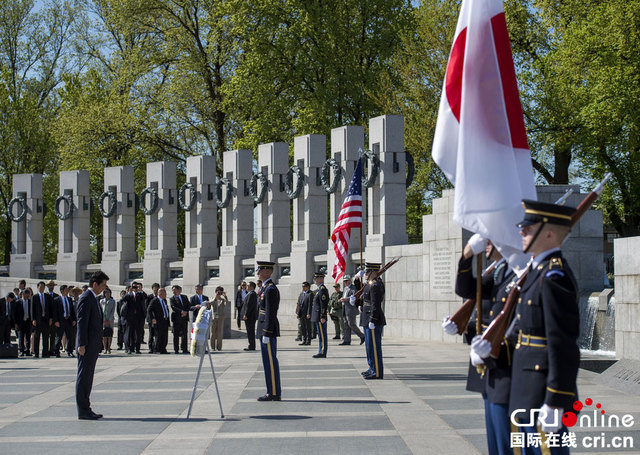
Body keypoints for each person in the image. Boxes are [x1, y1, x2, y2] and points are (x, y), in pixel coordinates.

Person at [508, 199, 580, 454]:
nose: (521, 232)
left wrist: (556, 399)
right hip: (526, 389)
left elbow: (563, 343)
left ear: (548, 233)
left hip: (543, 393)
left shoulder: (553, 276)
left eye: (527, 229)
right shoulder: (537, 271)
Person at [443, 234, 516, 455]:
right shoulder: (496, 271)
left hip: (506, 363)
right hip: (488, 360)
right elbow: (466, 291)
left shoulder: (516, 272)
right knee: (495, 439)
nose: (486, 245)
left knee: (509, 440)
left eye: (490, 240)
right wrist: (466, 256)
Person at [76, 270, 109, 420]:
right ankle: (83, 410)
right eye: (103, 285)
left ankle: (86, 407)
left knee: (88, 377)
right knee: (84, 376)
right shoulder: (86, 298)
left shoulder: (93, 298)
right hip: (86, 345)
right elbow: (82, 323)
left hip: (93, 344)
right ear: (95, 284)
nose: (104, 288)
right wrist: (81, 344)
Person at [255, 261, 281, 401]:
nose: (258, 273)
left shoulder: (270, 289)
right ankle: (271, 390)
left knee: (270, 362)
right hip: (264, 328)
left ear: (267, 272)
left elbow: (271, 313)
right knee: (267, 362)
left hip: (267, 330)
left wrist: (266, 332)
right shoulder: (265, 288)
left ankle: (274, 393)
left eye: (260, 270)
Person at [357, 262, 386, 380]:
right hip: (367, 317)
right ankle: (372, 368)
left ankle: (377, 372)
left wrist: (373, 319)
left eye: (368, 272)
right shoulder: (369, 284)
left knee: (374, 347)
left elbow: (376, 304)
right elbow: (365, 300)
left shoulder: (375, 285)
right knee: (369, 347)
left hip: (373, 319)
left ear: (374, 272)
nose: (365, 274)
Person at [32, 281, 54, 358]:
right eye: (40, 287)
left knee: (46, 337)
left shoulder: (47, 297)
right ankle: (36, 353)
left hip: (46, 320)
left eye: (43, 287)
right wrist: (33, 319)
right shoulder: (34, 297)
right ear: (38, 287)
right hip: (38, 320)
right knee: (37, 337)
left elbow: (51, 308)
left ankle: (45, 353)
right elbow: (32, 309)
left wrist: (51, 318)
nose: (42, 288)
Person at [310, 272, 329, 358]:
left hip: (320, 316)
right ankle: (321, 350)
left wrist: (323, 316)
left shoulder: (322, 289)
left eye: (316, 278)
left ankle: (322, 352)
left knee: (322, 335)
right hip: (317, 316)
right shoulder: (318, 290)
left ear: (321, 279)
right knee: (320, 335)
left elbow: (323, 304)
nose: (314, 280)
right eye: (314, 278)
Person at [54, 285, 77, 357]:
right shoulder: (57, 300)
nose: (67, 291)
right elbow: (55, 312)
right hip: (61, 321)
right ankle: (57, 352)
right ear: (62, 291)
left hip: (68, 320)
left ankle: (69, 351)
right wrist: (56, 321)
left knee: (70, 336)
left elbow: (72, 310)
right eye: (66, 290)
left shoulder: (69, 299)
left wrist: (74, 319)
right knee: (59, 336)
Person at [148, 287, 170, 354]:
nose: (165, 294)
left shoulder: (164, 301)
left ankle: (163, 348)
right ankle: (157, 349)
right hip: (158, 321)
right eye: (164, 293)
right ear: (159, 293)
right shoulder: (155, 300)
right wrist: (152, 318)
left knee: (164, 335)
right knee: (158, 335)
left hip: (165, 321)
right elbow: (149, 309)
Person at [170, 285, 191, 354]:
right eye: (173, 290)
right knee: (176, 335)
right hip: (177, 318)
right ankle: (176, 349)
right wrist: (181, 312)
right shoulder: (172, 299)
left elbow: (188, 305)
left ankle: (184, 349)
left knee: (185, 334)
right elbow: (173, 307)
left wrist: (186, 312)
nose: (174, 291)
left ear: (179, 290)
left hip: (184, 319)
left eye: (175, 290)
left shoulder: (184, 297)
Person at [241, 281, 258, 351]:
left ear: (251, 287)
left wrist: (246, 314)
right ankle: (251, 344)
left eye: (247, 286)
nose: (246, 287)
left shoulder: (252, 294)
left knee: (250, 331)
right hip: (249, 316)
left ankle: (252, 345)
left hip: (250, 316)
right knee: (249, 331)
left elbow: (249, 305)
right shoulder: (249, 294)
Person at [15, 288, 32, 356]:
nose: (27, 296)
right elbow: (15, 314)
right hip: (20, 322)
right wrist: (16, 323)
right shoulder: (18, 302)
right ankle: (21, 350)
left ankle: (27, 350)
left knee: (28, 337)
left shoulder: (30, 302)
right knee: (21, 337)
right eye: (26, 294)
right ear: (23, 294)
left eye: (28, 294)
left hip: (28, 321)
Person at [211, 287, 228, 351]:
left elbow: (226, 304)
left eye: (220, 292)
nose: (218, 293)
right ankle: (212, 347)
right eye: (218, 292)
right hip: (214, 317)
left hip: (221, 317)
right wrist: (216, 297)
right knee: (213, 333)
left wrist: (225, 296)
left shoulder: (223, 300)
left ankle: (219, 346)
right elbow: (210, 303)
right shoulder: (213, 299)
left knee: (219, 333)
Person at [295, 282, 312, 346]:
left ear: (308, 287)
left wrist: (309, 313)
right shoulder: (302, 294)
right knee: (303, 327)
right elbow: (299, 303)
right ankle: (304, 340)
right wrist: (298, 313)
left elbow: (310, 305)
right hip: (301, 313)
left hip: (306, 313)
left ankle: (308, 340)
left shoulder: (310, 294)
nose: (303, 288)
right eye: (302, 286)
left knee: (308, 327)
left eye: (304, 286)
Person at [145, 283, 160, 353]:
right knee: (151, 333)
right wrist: (152, 318)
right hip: (151, 318)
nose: (156, 290)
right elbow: (147, 308)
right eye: (155, 289)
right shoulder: (149, 297)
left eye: (157, 289)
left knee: (157, 333)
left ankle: (157, 347)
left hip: (158, 318)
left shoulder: (160, 297)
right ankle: (151, 347)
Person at [100, 288, 116, 354]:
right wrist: (103, 319)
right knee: (104, 335)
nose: (107, 294)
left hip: (110, 319)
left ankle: (109, 347)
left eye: (108, 292)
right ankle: (105, 348)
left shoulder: (112, 301)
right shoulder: (101, 301)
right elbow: (101, 310)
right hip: (103, 319)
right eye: (106, 293)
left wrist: (109, 320)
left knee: (109, 334)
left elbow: (113, 311)